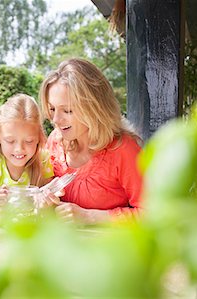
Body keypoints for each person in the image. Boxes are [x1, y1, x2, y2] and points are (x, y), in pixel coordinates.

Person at [39, 58, 143, 225]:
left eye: (67, 110)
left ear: (94, 107)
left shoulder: (124, 149)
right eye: (52, 109)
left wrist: (89, 216)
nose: (55, 119)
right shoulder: (55, 142)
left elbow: (153, 216)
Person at [0, 94, 54, 231]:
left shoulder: (43, 163)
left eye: (29, 141)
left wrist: (46, 207)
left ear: (38, 138)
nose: (19, 149)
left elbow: (51, 221)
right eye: (10, 141)